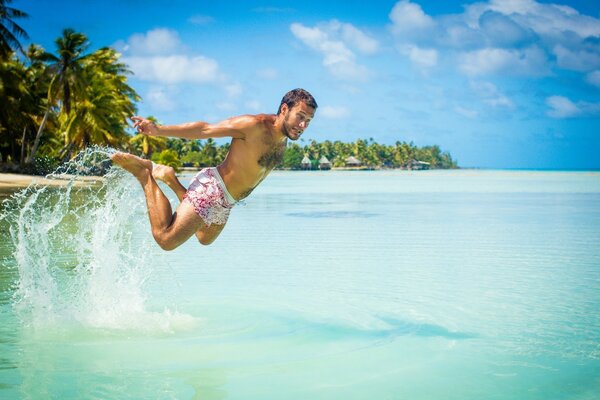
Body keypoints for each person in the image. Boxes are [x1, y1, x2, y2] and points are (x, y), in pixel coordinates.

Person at [111, 88, 317, 250]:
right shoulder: (254, 125)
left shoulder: (283, 139)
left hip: (228, 201)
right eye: (300, 116)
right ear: (284, 109)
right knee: (166, 239)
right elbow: (205, 129)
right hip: (212, 190)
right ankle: (144, 174)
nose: (303, 125)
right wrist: (158, 130)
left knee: (204, 238)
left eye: (308, 121)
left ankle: (169, 177)